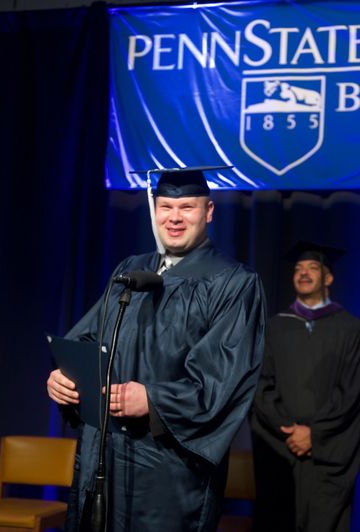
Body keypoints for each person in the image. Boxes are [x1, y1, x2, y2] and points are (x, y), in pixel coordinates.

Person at [46, 166, 266, 531]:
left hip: (168, 472)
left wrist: (153, 400)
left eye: (187, 208)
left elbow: (223, 382)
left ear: (208, 212)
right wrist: (64, 378)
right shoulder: (131, 270)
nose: (174, 218)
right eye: (165, 207)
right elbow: (89, 339)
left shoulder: (234, 284)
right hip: (104, 457)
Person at [250, 241, 360, 532]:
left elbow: (353, 393)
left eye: (312, 268)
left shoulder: (352, 330)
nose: (303, 273)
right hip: (281, 450)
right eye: (298, 269)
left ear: (328, 278)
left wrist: (314, 434)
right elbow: (260, 386)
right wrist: (288, 429)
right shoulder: (273, 328)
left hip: (327, 457)